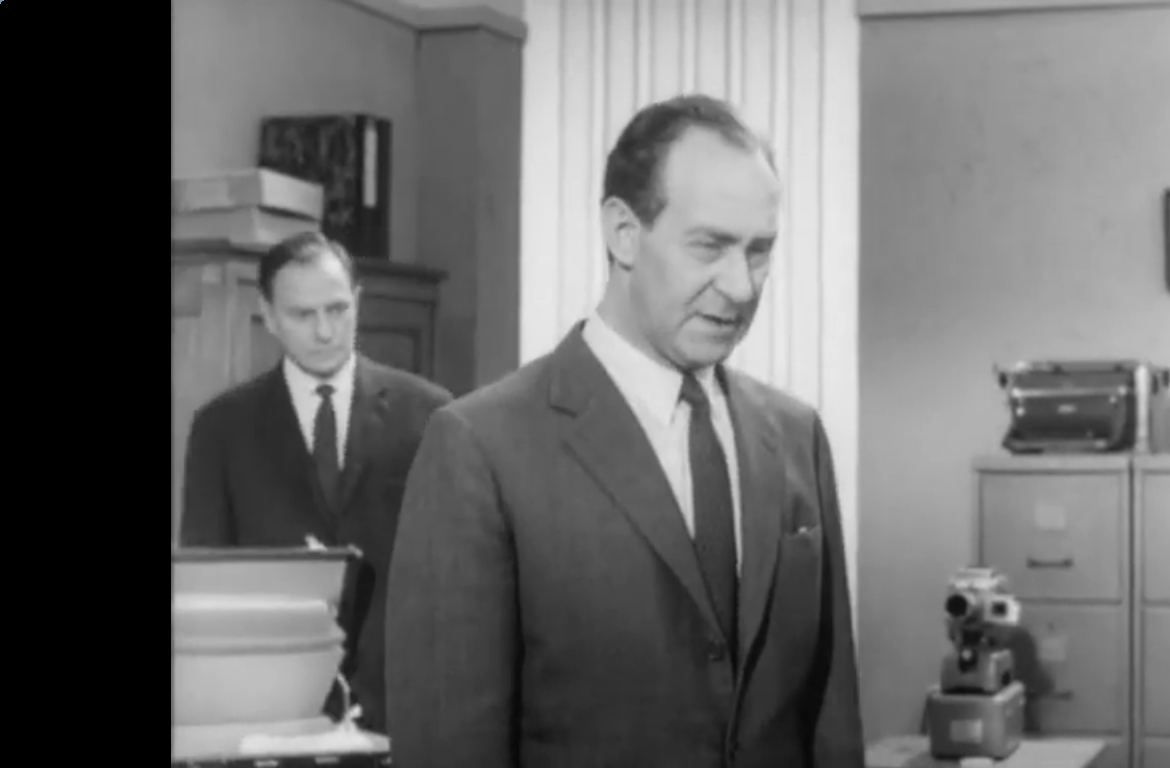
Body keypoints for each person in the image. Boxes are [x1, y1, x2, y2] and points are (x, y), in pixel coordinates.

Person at [387, 94, 864, 767]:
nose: (741, 286)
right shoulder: (481, 449)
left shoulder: (796, 436)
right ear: (623, 233)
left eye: (759, 251)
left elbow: (830, 722)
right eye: (710, 246)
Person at [179, 232, 453, 734]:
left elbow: (454, 578)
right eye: (303, 315)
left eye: (338, 309)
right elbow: (207, 595)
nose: (325, 331)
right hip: (271, 714)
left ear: (358, 301)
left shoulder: (431, 415)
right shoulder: (221, 428)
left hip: (401, 709)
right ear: (268, 315)